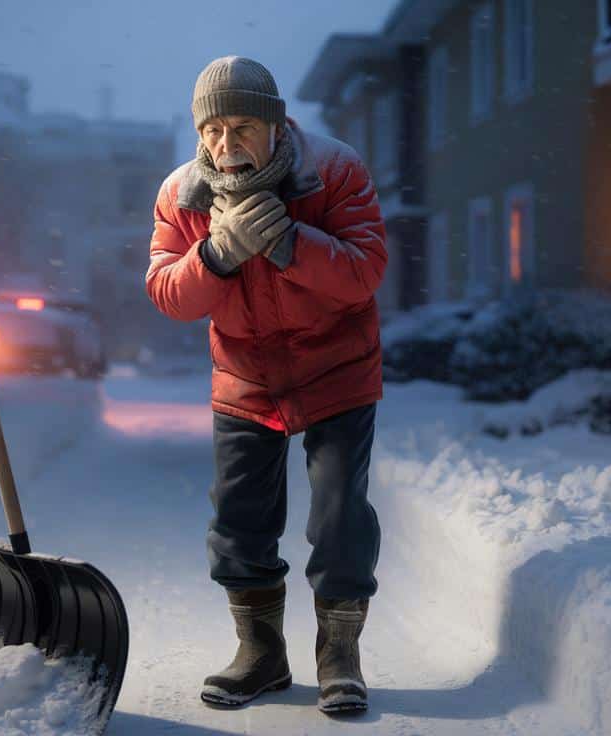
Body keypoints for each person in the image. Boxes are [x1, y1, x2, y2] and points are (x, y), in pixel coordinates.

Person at [144, 55, 387, 713]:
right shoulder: (181, 194)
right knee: (240, 518)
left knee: (338, 514)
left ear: (276, 124)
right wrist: (216, 255)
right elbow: (168, 293)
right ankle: (260, 653)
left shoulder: (334, 171)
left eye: (243, 126)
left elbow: (365, 271)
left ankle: (340, 655)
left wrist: (288, 242)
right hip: (247, 377)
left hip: (336, 369)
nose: (226, 145)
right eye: (213, 130)